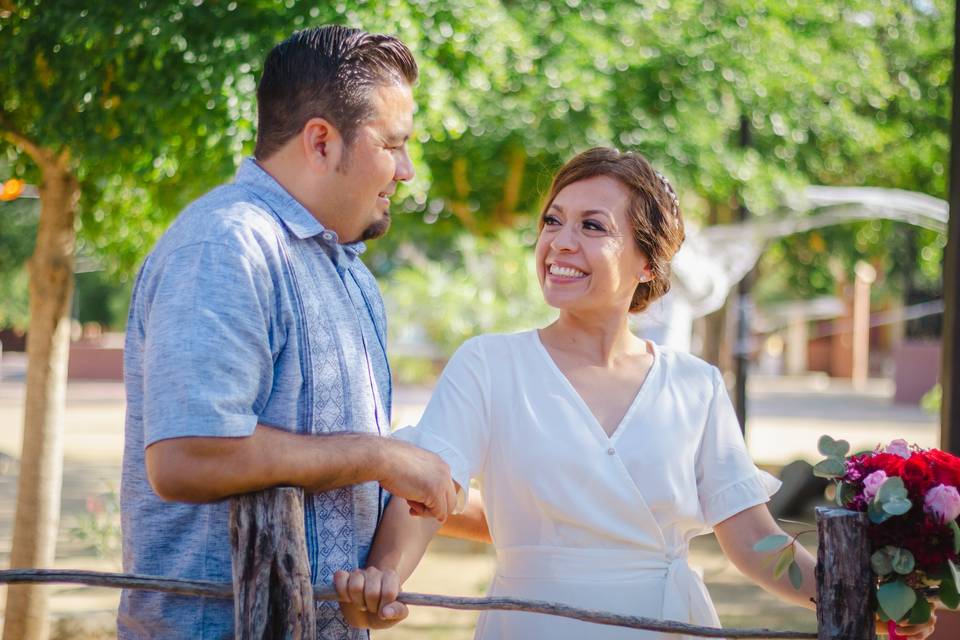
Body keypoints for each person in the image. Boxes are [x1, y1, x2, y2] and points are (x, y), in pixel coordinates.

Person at [333, 147, 937, 639]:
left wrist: (866, 601)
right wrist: (385, 577)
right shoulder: (489, 365)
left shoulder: (695, 385)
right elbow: (427, 492)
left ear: (648, 262)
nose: (560, 242)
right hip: (532, 626)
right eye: (553, 220)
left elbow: (755, 541)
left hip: (671, 624)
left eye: (592, 226)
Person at [119, 25, 459, 639]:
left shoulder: (349, 273)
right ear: (322, 142)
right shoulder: (224, 244)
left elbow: (340, 483)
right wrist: (377, 457)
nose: (406, 171)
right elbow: (185, 456)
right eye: (394, 145)